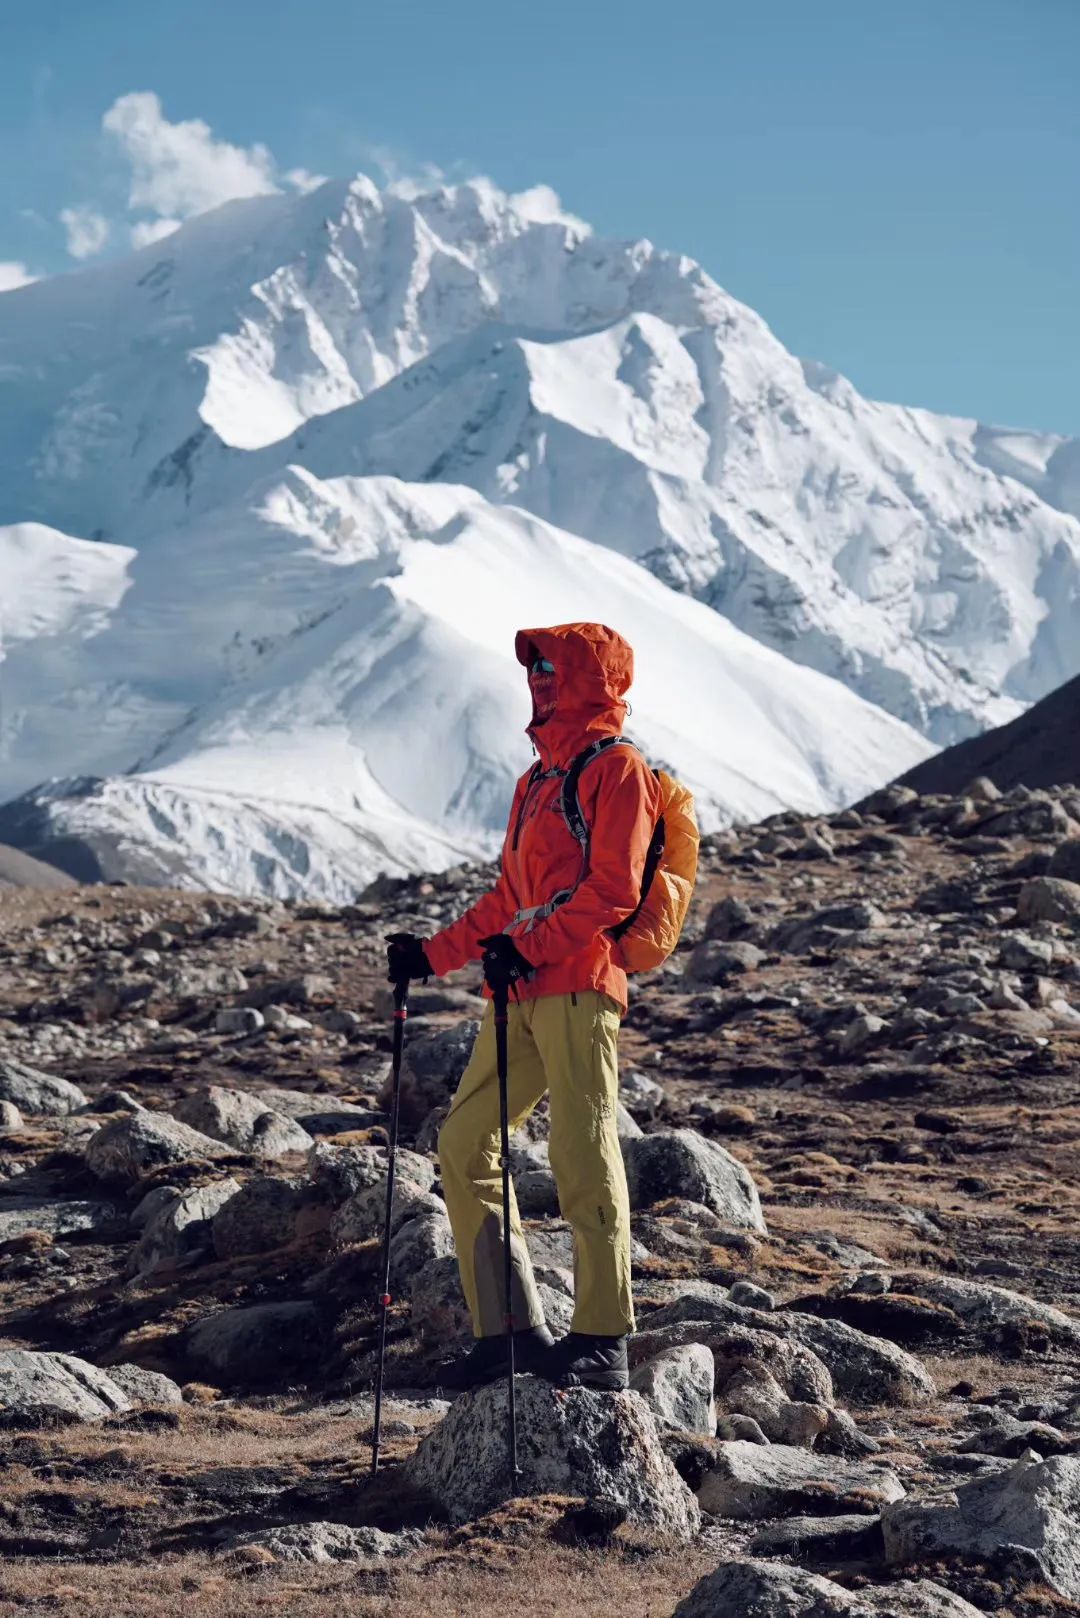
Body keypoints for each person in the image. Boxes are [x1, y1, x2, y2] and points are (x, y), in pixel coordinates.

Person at [386, 622, 661, 1391]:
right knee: (464, 1142)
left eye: (552, 664)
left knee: (582, 1151)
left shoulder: (620, 770)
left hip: (580, 986)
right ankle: (507, 1331)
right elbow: (510, 897)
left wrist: (530, 947)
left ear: (588, 677)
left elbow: (614, 891)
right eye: (532, 665)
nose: (537, 675)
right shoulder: (536, 780)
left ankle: (603, 1337)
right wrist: (432, 955)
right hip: (521, 989)